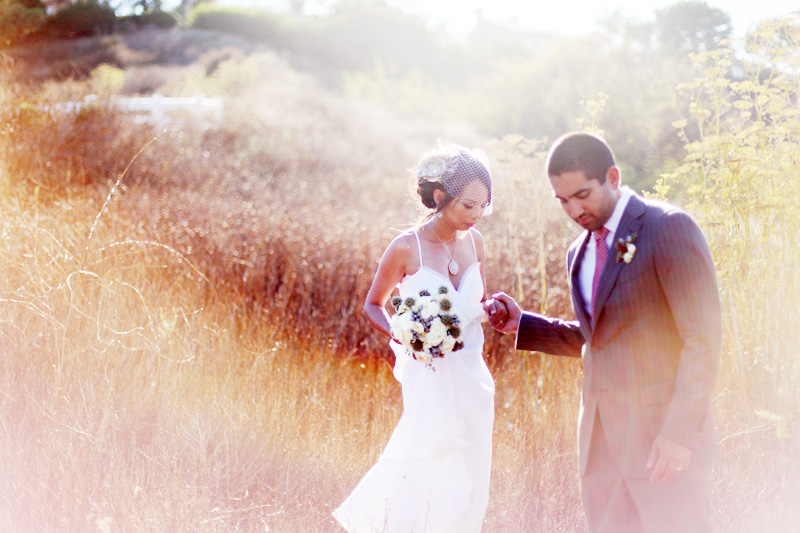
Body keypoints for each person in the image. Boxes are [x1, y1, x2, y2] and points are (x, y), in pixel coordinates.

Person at [487, 131, 721, 532]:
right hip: (601, 451)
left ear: (612, 177)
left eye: (582, 195)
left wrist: (679, 434)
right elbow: (599, 338)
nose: (574, 210)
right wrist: (523, 324)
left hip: (661, 444)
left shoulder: (668, 227)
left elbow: (703, 339)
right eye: (562, 200)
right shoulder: (577, 253)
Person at [333, 144, 496, 532]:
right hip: (430, 374)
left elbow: (477, 306)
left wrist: (495, 311)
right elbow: (374, 304)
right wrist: (407, 334)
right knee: (432, 458)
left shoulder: (476, 244)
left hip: (472, 373)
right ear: (440, 198)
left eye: (483, 206)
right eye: (467, 205)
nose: (476, 215)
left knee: (474, 465)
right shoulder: (407, 248)